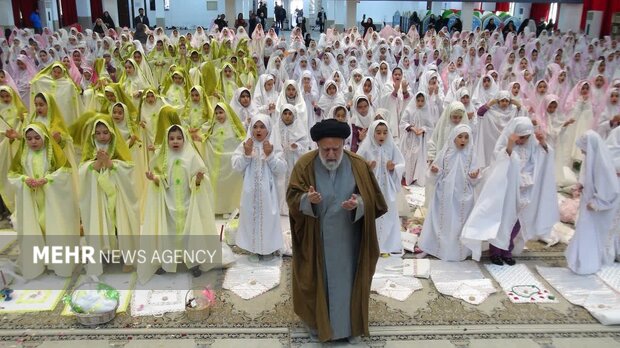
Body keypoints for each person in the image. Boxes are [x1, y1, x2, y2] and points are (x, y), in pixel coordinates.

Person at [286, 118, 387, 343]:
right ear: (317, 147)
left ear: (343, 144)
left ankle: (349, 328)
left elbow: (375, 201)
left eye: (336, 149)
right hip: (316, 239)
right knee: (315, 281)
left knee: (348, 285)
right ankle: (317, 324)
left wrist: (359, 204)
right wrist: (306, 200)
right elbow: (292, 197)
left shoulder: (358, 165)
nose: (331, 154)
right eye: (326, 150)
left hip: (349, 241)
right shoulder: (304, 165)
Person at [462, 117, 559, 265]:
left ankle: (507, 249)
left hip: (525, 189)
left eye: (526, 138)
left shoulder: (531, 144)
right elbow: (499, 158)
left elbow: (543, 157)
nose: (522, 141)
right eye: (520, 137)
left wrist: (543, 143)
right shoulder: (508, 143)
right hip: (507, 188)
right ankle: (495, 251)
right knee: (503, 219)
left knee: (518, 221)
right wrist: (510, 144)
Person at [9, 123, 80, 279]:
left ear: (45, 138)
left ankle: (58, 264)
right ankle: (38, 263)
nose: (33, 142)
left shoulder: (52, 153)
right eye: (28, 139)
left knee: (53, 229)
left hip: (51, 200)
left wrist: (47, 179)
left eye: (37, 138)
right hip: (31, 201)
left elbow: (64, 172)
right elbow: (13, 175)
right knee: (36, 230)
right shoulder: (23, 154)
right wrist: (24, 179)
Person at [419, 124, 480, 261]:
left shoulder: (471, 154)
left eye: (466, 137)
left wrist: (474, 176)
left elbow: (474, 177)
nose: (463, 140)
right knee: (442, 221)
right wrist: (435, 171)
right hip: (444, 194)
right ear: (454, 137)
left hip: (463, 197)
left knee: (459, 222)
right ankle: (438, 247)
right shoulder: (445, 152)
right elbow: (435, 173)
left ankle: (458, 250)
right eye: (460, 137)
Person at [232, 114, 286, 261]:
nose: (258, 130)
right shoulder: (246, 144)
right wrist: (246, 154)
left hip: (268, 193)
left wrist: (270, 155)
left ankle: (268, 249)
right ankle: (253, 249)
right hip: (250, 191)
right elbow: (236, 166)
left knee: (269, 218)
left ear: (268, 128)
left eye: (262, 126)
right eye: (255, 126)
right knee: (250, 217)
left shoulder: (272, 145)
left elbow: (281, 169)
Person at [565, 131, 620, 274]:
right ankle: (579, 263)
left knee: (590, 234)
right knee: (583, 232)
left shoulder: (603, 164)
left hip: (595, 208)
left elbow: (610, 189)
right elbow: (588, 177)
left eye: (584, 148)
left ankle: (587, 265)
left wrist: (597, 203)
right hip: (588, 204)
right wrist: (580, 185)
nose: (582, 151)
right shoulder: (592, 158)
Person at [356, 119, 405, 256]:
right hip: (372, 186)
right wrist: (367, 167)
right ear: (373, 133)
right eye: (378, 133)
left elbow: (401, 163)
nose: (382, 136)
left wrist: (393, 168)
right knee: (372, 214)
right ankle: (371, 244)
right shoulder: (366, 147)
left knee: (388, 213)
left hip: (387, 187)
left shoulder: (391, 146)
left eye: (384, 132)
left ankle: (388, 243)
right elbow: (357, 165)